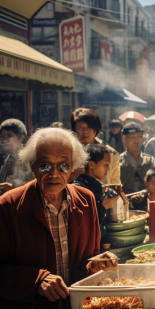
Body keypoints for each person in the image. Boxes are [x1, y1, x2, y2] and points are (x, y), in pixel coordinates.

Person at [0, 128, 117, 308]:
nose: (54, 174)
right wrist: (37, 280)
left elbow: (89, 258)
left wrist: (95, 265)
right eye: (45, 166)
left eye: (63, 166)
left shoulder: (86, 200)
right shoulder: (8, 206)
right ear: (33, 166)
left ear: (73, 166)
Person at [73, 144, 122, 236]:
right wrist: (103, 207)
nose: (108, 168)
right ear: (91, 164)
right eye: (106, 164)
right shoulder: (79, 189)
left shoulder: (97, 186)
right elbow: (84, 227)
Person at [69, 108, 120, 185]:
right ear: (74, 129)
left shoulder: (111, 153)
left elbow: (115, 184)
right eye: (80, 127)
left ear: (96, 129)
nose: (85, 131)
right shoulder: (68, 151)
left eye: (89, 127)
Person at [120, 122, 155, 195]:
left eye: (139, 136)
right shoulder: (118, 162)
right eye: (132, 137)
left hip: (146, 201)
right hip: (125, 203)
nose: (136, 141)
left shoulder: (149, 160)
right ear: (124, 138)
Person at [0, 119, 34, 193]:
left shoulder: (29, 159)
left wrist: (14, 188)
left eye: (9, 136)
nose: (4, 140)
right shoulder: (7, 159)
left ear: (21, 138)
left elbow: (37, 186)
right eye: (2, 136)